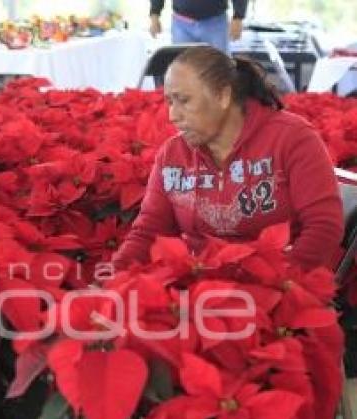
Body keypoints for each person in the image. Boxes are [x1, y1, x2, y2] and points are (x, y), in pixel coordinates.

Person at [113, 45, 344, 271]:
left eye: (183, 100)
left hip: (281, 285)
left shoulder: (292, 138)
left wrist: (274, 286)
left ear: (223, 96)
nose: (173, 116)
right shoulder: (172, 155)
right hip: (202, 288)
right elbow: (148, 232)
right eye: (170, 102)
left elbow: (324, 226)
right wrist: (111, 279)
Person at [149, 0, 247, 53]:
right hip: (181, 25)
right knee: (183, 71)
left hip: (216, 23)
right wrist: (155, 14)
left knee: (221, 71)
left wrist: (238, 17)